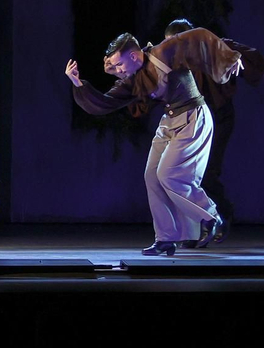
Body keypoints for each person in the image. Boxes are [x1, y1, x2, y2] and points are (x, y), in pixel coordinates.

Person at [64, 27, 242, 255]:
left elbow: (198, 36)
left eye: (120, 65)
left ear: (134, 56)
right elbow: (105, 103)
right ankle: (166, 238)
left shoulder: (163, 52)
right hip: (169, 121)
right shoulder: (133, 80)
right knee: (152, 176)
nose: (118, 71)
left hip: (193, 116)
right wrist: (78, 84)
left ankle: (212, 217)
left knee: (169, 174)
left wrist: (228, 57)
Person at [162, 18, 264, 226]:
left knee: (207, 172)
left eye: (176, 42)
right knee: (182, 174)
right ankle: (195, 227)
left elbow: (249, 57)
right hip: (190, 121)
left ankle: (220, 216)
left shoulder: (214, 47)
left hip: (219, 118)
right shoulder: (171, 60)